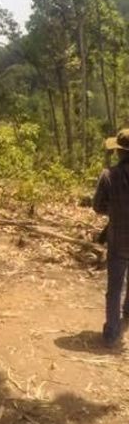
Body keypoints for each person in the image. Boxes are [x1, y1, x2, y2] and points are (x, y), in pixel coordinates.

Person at [93, 127, 129, 346]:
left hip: (118, 237)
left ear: (119, 152)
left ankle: (112, 332)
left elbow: (98, 206)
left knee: (114, 287)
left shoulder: (108, 175)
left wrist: (114, 210)